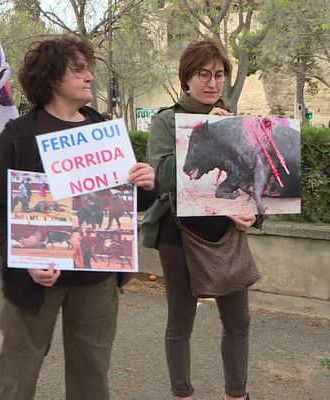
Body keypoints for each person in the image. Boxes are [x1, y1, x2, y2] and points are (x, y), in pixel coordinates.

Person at [0, 35, 156, 400]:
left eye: (88, 68)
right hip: (34, 281)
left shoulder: (103, 131)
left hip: (97, 278)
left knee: (91, 377)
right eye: (78, 69)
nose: (89, 76)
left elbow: (128, 204)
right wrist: (23, 259)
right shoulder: (19, 135)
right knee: (17, 375)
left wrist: (145, 183)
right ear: (51, 77)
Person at [141, 38, 260, 400]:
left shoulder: (234, 120)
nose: (213, 82)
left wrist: (253, 215)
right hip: (178, 233)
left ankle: (237, 394)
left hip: (225, 234)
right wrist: (203, 131)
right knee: (180, 322)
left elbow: (251, 179)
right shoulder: (166, 120)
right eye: (203, 74)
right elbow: (161, 178)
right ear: (186, 79)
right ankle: (183, 394)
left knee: (238, 322)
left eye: (220, 74)